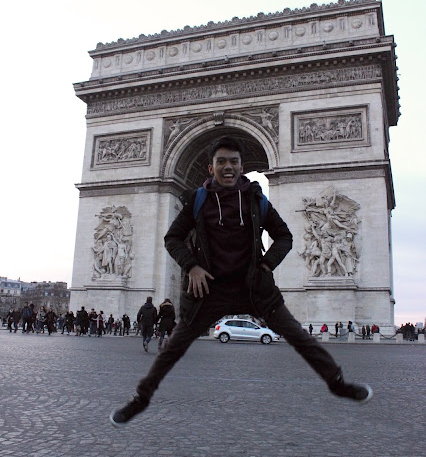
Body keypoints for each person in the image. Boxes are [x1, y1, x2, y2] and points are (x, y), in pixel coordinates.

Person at [110, 136, 373, 427]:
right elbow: (172, 238)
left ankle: (337, 383)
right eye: (221, 161)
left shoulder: (256, 200)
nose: (227, 167)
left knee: (299, 336)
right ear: (210, 167)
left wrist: (266, 265)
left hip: (253, 287)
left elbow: (284, 235)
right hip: (209, 290)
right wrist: (192, 265)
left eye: (233, 162)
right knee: (174, 347)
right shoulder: (196, 201)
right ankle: (141, 399)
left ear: (241, 167)